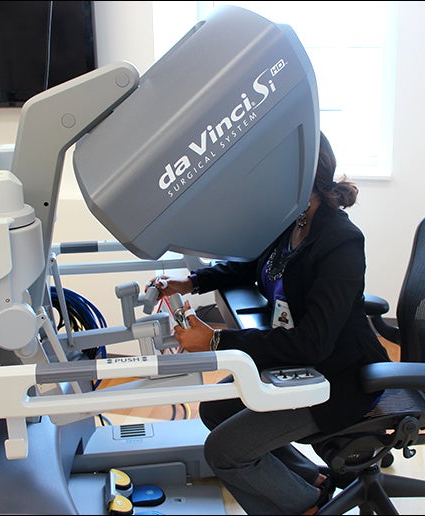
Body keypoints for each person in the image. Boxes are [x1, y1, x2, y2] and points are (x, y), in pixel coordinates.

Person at [147, 132, 390, 515]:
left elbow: (313, 343)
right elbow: (251, 264)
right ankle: (312, 480)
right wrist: (192, 282)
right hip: (300, 360)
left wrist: (216, 341)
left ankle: (306, 507)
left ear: (300, 177)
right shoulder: (290, 220)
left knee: (224, 452)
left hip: (337, 378)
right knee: (215, 409)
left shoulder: (341, 241)